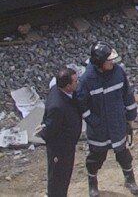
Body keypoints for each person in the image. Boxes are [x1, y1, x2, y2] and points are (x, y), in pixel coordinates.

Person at [76, 42, 138, 197]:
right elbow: (81, 104)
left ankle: (130, 180)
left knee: (123, 154)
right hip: (99, 129)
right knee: (96, 158)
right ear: (99, 63)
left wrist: (130, 115)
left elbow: (127, 93)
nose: (112, 63)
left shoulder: (118, 73)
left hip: (117, 123)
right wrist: (93, 121)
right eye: (108, 61)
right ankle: (93, 184)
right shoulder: (86, 80)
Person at [40, 67, 82, 197]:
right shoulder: (57, 106)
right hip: (60, 148)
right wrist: (43, 131)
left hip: (68, 145)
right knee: (58, 177)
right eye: (75, 81)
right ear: (68, 86)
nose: (78, 83)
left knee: (65, 175)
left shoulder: (63, 92)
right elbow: (50, 130)